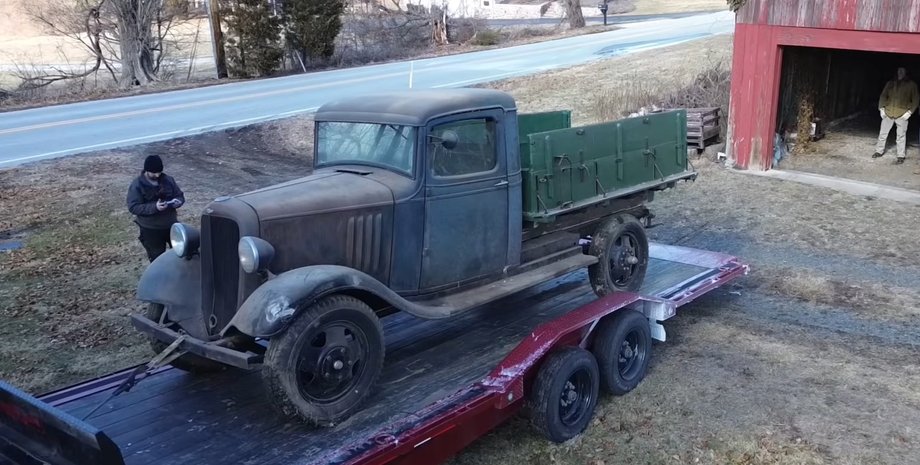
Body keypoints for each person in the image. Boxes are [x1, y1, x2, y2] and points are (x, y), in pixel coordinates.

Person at [126, 155, 185, 262]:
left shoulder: (168, 180)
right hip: (151, 229)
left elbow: (179, 195)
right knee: (157, 259)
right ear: (147, 170)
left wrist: (178, 202)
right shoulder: (137, 185)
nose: (157, 175)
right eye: (154, 173)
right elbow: (133, 207)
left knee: (181, 254)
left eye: (159, 172)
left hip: (171, 225)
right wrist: (155, 207)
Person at [873, 67, 919, 164]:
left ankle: (900, 155)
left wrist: (910, 112)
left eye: (903, 71)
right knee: (882, 134)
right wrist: (882, 109)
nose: (900, 72)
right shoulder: (890, 83)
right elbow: (883, 95)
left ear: (906, 73)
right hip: (888, 112)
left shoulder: (911, 85)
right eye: (899, 70)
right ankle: (878, 151)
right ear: (897, 72)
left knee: (901, 136)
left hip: (902, 114)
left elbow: (916, 99)